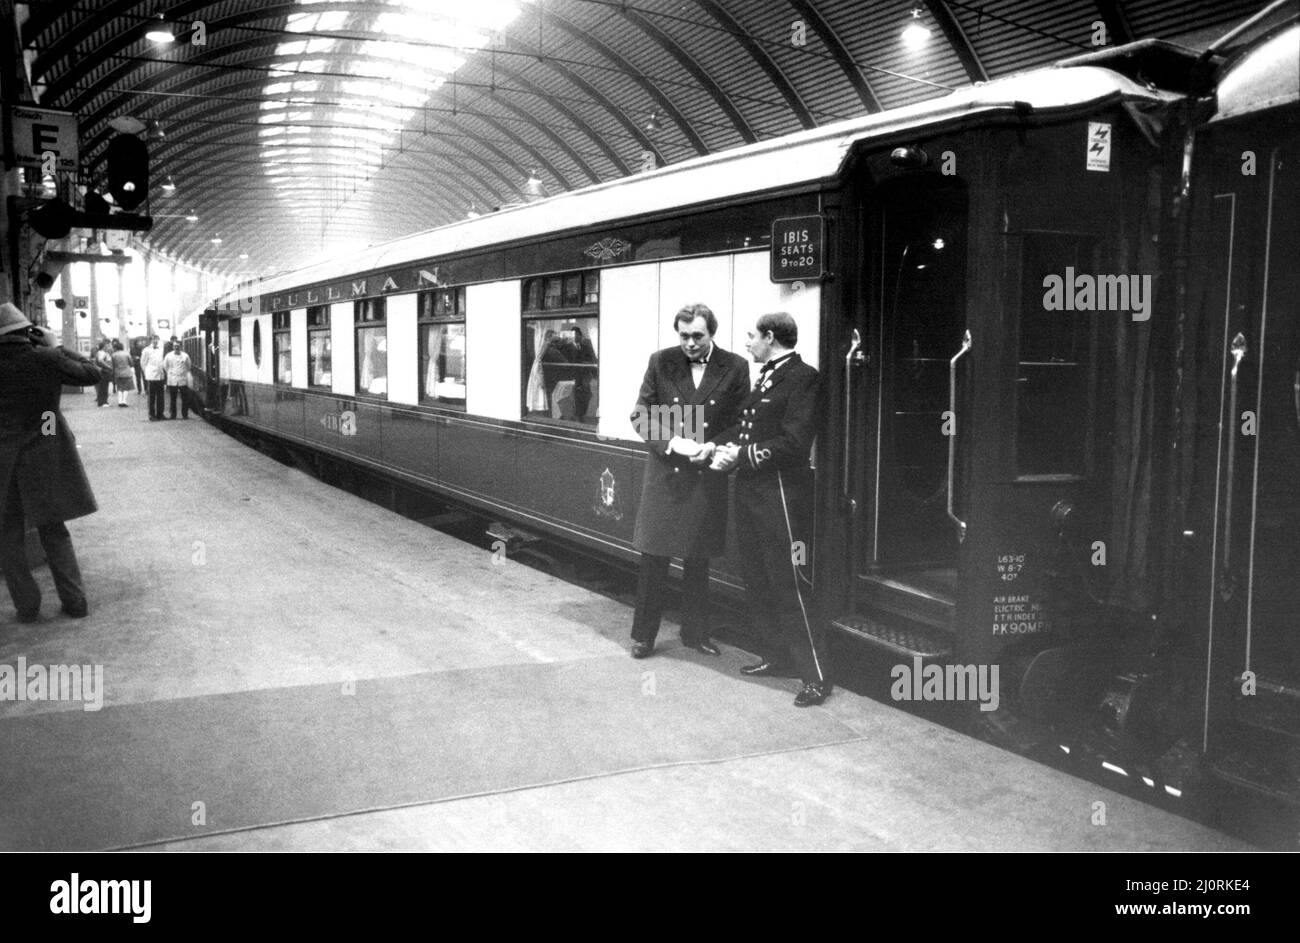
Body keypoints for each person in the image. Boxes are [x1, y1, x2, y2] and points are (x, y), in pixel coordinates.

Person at [711, 312, 830, 707]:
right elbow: (747, 428)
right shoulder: (766, 376)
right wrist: (715, 446)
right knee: (758, 577)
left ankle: (816, 676)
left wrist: (740, 454)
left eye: (752, 336)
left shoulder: (803, 377)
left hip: (780, 494)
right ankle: (777, 656)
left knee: (789, 583)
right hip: (751, 490)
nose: (748, 343)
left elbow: (795, 442)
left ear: (771, 337)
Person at [628, 303, 750, 659]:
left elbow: (743, 420)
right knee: (654, 559)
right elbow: (640, 414)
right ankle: (643, 637)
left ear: (711, 332)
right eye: (684, 336)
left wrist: (713, 444)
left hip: (706, 473)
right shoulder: (660, 361)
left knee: (697, 559)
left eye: (697, 336)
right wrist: (674, 443)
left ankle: (695, 634)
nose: (690, 344)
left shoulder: (735, 366)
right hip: (667, 475)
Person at [0, 303, 103, 621]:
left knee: (8, 536)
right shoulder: (45, 358)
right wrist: (56, 345)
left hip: (3, 461)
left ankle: (27, 607)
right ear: (27, 332)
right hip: (44, 456)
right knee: (53, 530)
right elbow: (92, 373)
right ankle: (75, 602)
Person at [163, 339, 192, 419]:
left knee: (184, 398)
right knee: (173, 398)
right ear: (173, 347)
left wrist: (183, 373)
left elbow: (188, 366)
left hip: (182, 379)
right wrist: (170, 373)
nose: (176, 347)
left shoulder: (185, 356)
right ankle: (173, 415)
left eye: (178, 346)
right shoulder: (168, 356)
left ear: (181, 347)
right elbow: (165, 366)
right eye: (175, 346)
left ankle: (185, 414)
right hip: (172, 379)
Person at [140, 335, 166, 421]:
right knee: (151, 396)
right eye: (153, 340)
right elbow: (143, 363)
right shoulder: (146, 350)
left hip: (160, 375)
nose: (155, 341)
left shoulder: (162, 349)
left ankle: (160, 414)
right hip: (151, 376)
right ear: (151, 340)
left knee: (160, 396)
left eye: (157, 339)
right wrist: (146, 373)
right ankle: (151, 415)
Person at [110, 339, 134, 407]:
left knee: (120, 387)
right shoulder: (127, 354)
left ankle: (120, 402)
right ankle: (124, 401)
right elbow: (131, 363)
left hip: (118, 373)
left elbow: (112, 365)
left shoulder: (113, 355)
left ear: (116, 348)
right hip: (127, 372)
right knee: (126, 388)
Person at [93, 340, 113, 407]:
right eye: (107, 346)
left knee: (104, 386)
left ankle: (104, 401)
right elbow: (100, 360)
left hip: (103, 371)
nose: (108, 347)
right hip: (103, 371)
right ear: (104, 347)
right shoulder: (102, 353)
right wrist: (108, 366)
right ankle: (103, 402)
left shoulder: (102, 352)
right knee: (103, 387)